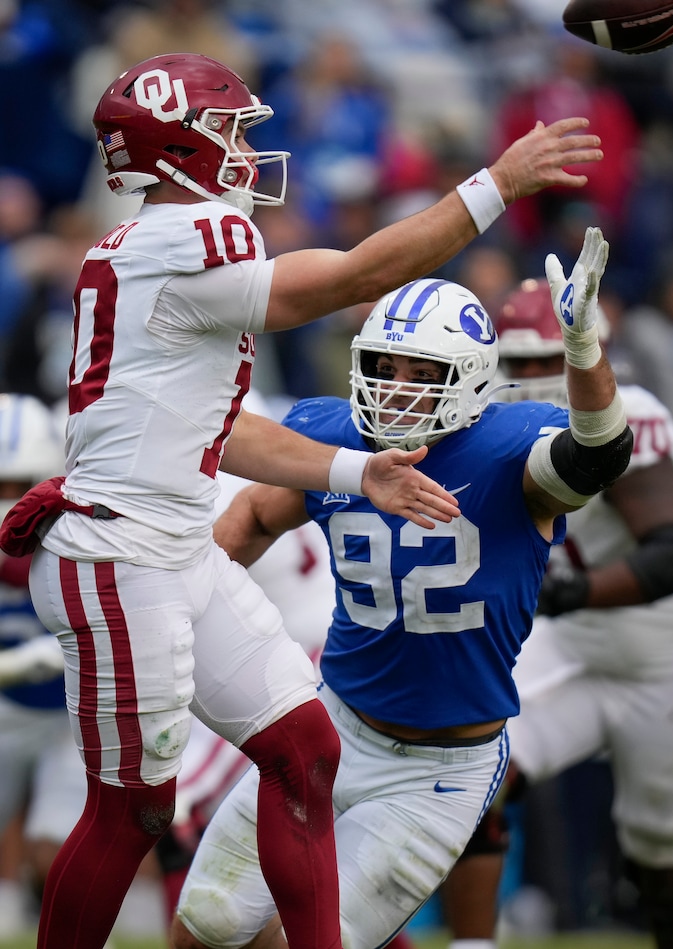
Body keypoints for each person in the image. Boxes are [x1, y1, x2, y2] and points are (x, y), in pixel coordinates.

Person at [0, 50, 605, 949]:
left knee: (304, 752)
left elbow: (217, 426)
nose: (246, 148)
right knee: (133, 809)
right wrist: (497, 184)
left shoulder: (163, 250)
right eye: (231, 130)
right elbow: (358, 278)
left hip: (173, 549)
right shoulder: (179, 240)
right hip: (120, 553)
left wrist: (361, 472)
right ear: (181, 148)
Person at [170, 224, 633, 949]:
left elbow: (600, 454)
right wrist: (181, 612)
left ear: (473, 377)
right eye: (385, 363)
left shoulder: (512, 450)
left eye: (421, 371)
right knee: (204, 930)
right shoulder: (333, 433)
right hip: (329, 728)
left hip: (439, 772)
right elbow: (254, 514)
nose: (396, 385)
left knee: (302, 943)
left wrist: (581, 349)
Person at [443, 277, 673, 949]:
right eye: (516, 362)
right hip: (573, 642)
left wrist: (570, 593)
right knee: (475, 772)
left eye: (544, 361)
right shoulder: (488, 421)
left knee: (663, 862)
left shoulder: (631, 413)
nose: (529, 378)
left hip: (667, 654)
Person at [0, 393, 67, 936]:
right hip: (3, 716)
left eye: (18, 487)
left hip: (73, 720)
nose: (6, 503)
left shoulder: (83, 536)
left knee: (61, 859)